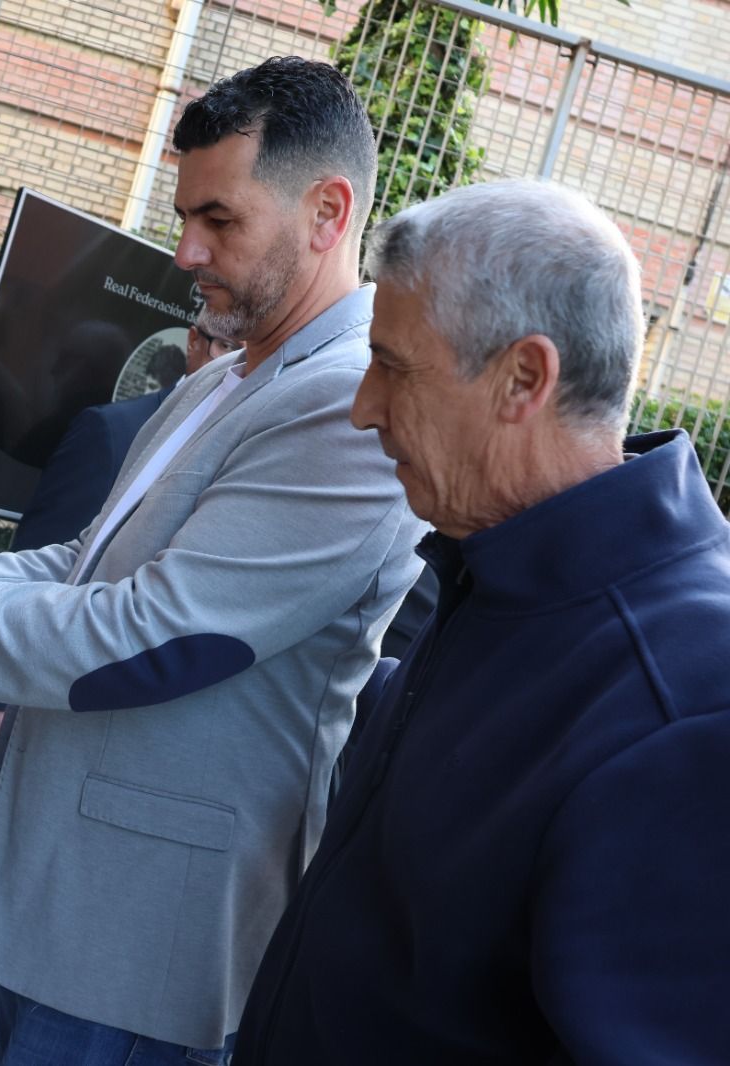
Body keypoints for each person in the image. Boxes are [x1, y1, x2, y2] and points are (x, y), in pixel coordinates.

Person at [0, 57, 424, 1063]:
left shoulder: (342, 407)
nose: (184, 250)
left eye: (218, 221)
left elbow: (150, 639)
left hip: (145, 951)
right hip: (67, 909)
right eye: (185, 216)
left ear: (327, 211)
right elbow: (80, 569)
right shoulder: (227, 376)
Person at [231, 179, 730, 1063]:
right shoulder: (503, 566)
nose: (363, 407)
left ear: (523, 378)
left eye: (394, 365)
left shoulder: (682, 705)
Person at [0, 329, 232, 1066]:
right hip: (40, 719)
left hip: (112, 821)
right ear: (198, 346)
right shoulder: (115, 430)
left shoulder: (248, 452)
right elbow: (57, 565)